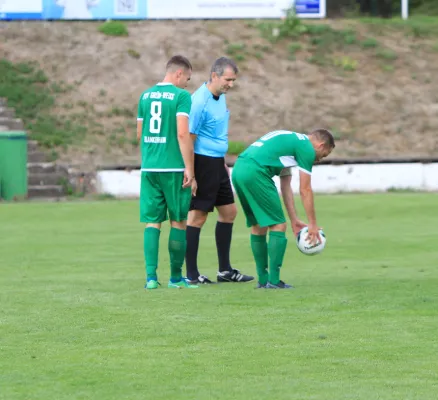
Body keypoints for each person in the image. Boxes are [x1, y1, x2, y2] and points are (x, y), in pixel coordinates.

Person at [231, 129, 335, 289]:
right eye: (324, 155)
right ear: (321, 145)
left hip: (239, 169)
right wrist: (312, 224)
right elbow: (305, 190)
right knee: (278, 225)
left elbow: (285, 185)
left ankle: (263, 280)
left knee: (259, 226)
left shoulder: (291, 143)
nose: (320, 159)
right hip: (256, 171)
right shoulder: (307, 148)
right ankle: (273, 281)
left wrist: (294, 220)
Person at [185, 57, 254, 284]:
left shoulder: (220, 98)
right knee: (197, 217)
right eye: (228, 79)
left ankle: (225, 271)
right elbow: (189, 139)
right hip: (202, 163)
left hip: (217, 163)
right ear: (214, 75)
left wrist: (222, 162)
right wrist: (191, 173)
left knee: (229, 212)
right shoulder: (198, 101)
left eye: (233, 80)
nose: (230, 85)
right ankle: (192, 275)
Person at [136, 55, 198, 290]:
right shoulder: (181, 96)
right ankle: (175, 277)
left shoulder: (145, 95)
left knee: (152, 223)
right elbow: (183, 134)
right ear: (179, 73)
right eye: (187, 79)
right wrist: (190, 171)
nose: (187, 84)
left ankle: (151, 278)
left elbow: (139, 133)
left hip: (150, 167)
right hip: (173, 167)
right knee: (179, 221)